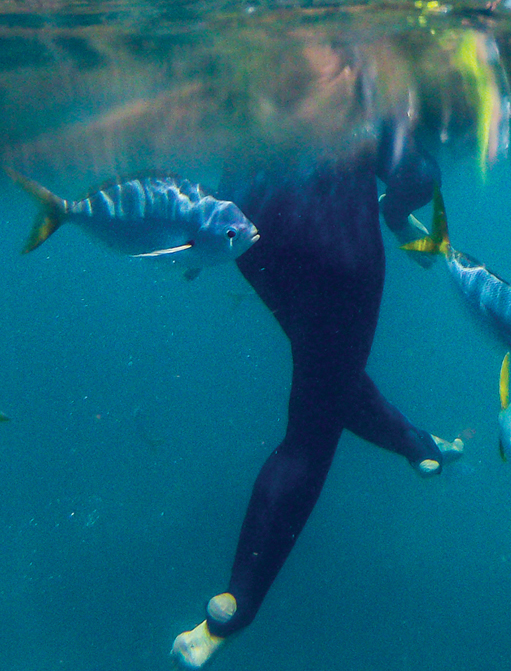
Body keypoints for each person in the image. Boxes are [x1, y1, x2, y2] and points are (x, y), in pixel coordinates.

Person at [170, 114, 459, 668]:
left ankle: (413, 440)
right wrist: (396, 214)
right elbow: (418, 172)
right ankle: (238, 604)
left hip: (251, 231)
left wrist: (202, 239)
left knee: (326, 376)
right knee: (312, 428)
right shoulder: (363, 76)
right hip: (338, 251)